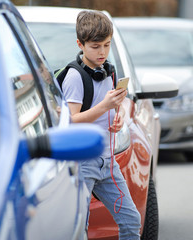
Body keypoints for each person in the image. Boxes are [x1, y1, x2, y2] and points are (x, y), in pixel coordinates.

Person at [61, 10, 141, 239]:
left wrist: (120, 115)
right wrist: (105, 107)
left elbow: (119, 104)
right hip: (83, 163)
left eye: (107, 45)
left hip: (108, 162)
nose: (102, 52)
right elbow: (70, 120)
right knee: (78, 229)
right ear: (81, 44)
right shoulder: (75, 77)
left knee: (131, 221)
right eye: (96, 46)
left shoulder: (109, 71)